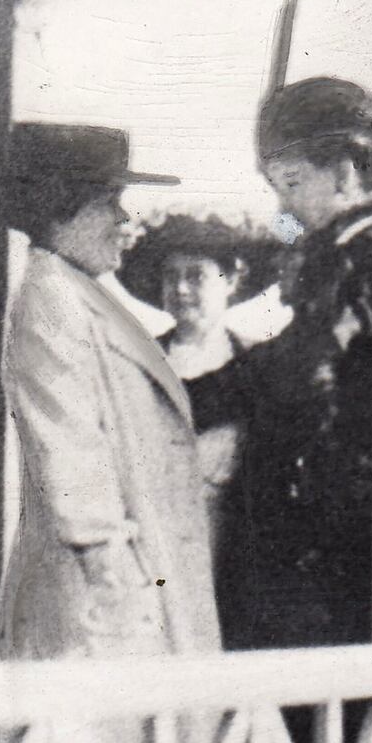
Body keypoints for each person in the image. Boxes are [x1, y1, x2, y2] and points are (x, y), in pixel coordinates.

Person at [0, 123, 234, 743]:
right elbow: (74, 467)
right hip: (103, 610)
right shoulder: (52, 298)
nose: (125, 222)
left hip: (127, 597)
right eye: (110, 204)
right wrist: (126, 586)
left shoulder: (80, 291)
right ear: (63, 213)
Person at [190, 76, 372, 651]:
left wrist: (192, 395)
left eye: (293, 183)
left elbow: (298, 368)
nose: (285, 206)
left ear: (346, 174)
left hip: (326, 529)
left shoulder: (354, 256)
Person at [115, 211, 282, 615]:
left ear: (232, 281)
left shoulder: (259, 364)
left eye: (196, 276)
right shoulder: (137, 359)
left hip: (231, 540)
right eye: (172, 277)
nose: (182, 288)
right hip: (154, 535)